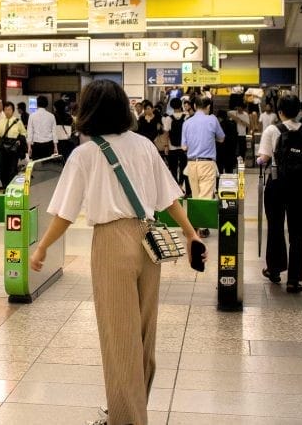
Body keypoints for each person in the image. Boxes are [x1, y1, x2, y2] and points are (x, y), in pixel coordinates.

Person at [29, 79, 204, 425]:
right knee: (143, 336)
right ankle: (128, 411)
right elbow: (169, 199)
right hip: (147, 240)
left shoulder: (85, 154)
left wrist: (43, 247)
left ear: (88, 110)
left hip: (111, 243)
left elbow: (65, 213)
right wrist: (191, 234)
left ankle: (127, 421)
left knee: (119, 338)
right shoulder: (143, 146)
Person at [257, 94, 302, 293]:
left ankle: (275, 270)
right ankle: (294, 280)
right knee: (297, 234)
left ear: (280, 112)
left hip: (277, 186)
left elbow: (264, 157)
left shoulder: (272, 130)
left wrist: (262, 161)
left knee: (276, 227)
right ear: (298, 111)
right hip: (300, 189)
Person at [181, 96, 224, 237]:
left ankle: (194, 224)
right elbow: (222, 138)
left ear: (194, 106)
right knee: (206, 195)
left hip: (192, 163)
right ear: (208, 107)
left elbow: (184, 146)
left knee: (195, 195)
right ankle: (202, 228)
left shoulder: (187, 122)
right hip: (207, 162)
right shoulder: (212, 119)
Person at [0, 101, 26, 191]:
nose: (7, 111)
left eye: (9, 109)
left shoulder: (18, 122)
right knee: (2, 167)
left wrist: (19, 141)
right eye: (5, 109)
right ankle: (5, 185)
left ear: (13, 111)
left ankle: (11, 186)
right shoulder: (1, 122)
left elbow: (24, 133)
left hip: (14, 147)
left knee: (12, 167)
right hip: (3, 146)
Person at [162, 98, 191, 196]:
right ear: (181, 105)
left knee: (173, 168)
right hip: (185, 148)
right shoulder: (187, 117)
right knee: (184, 168)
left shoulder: (168, 118)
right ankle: (182, 186)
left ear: (172, 106)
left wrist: (166, 146)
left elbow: (166, 134)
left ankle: (176, 189)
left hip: (172, 147)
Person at [27, 95, 58, 160]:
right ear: (46, 104)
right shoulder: (51, 116)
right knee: (48, 166)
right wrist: (55, 147)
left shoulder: (32, 116)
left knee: (37, 166)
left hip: (36, 145)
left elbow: (30, 132)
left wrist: (29, 147)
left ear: (37, 104)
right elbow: (54, 132)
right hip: (49, 145)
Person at [215, 109, 238, 174]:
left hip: (220, 153)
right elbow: (235, 138)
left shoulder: (219, 126)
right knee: (229, 173)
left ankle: (219, 183)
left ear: (219, 117)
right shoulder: (232, 124)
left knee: (220, 172)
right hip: (230, 153)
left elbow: (218, 139)